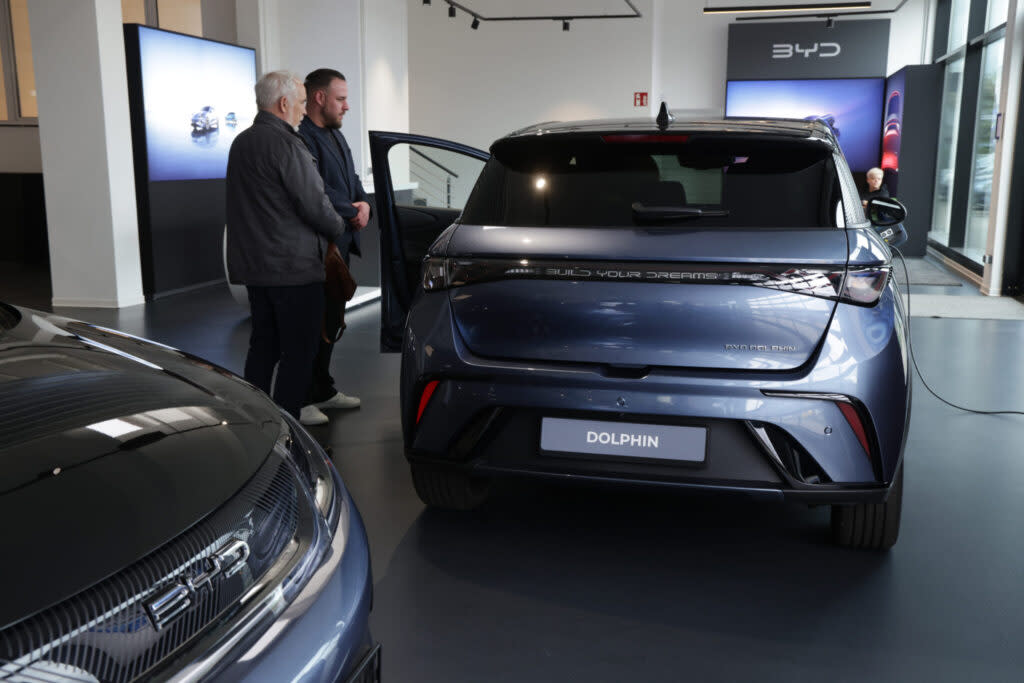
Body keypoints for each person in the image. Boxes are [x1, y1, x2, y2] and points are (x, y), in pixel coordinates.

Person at [225, 70, 347, 420]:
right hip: (293, 270)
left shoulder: (242, 142)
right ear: (282, 103)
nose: (302, 110)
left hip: (256, 269)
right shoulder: (288, 144)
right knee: (299, 354)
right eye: (299, 103)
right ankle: (290, 432)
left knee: (263, 347)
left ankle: (257, 423)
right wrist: (338, 226)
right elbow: (314, 203)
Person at [296, 68, 371, 425]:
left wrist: (365, 203)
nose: (347, 106)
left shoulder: (337, 136)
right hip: (318, 246)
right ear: (319, 98)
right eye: (340, 99)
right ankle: (302, 396)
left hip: (340, 243)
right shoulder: (303, 137)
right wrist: (351, 211)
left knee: (332, 318)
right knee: (311, 324)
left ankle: (322, 389)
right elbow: (317, 188)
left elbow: (352, 179)